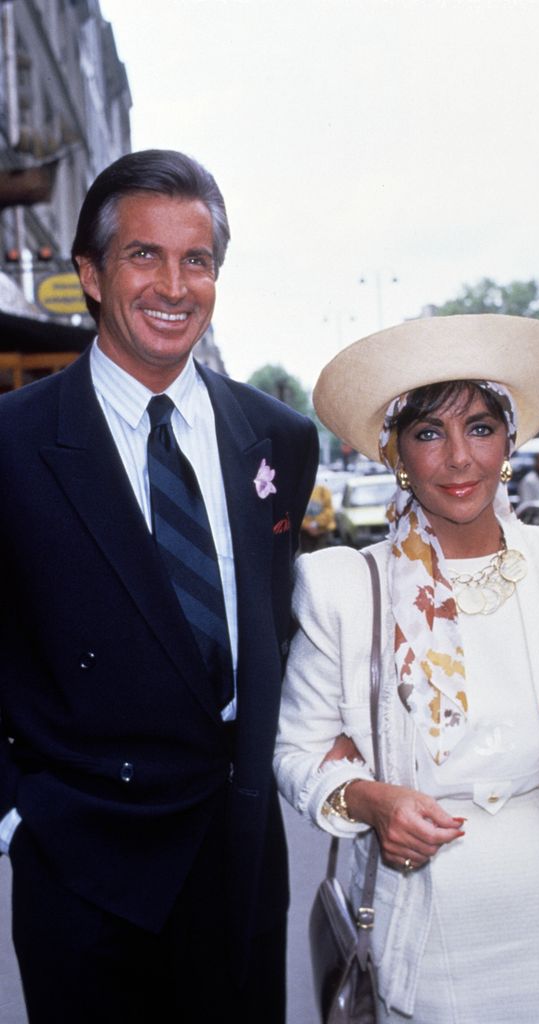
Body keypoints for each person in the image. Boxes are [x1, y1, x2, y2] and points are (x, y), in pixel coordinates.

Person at [274, 315, 539, 1024]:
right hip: (429, 954)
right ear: (398, 453)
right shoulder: (344, 588)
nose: (460, 458)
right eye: (430, 433)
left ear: (509, 442)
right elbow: (296, 755)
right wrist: (369, 799)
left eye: (481, 426)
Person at [0, 149, 318, 1023]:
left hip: (241, 865)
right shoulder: (12, 441)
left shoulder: (278, 438)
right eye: (145, 255)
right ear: (92, 274)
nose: (174, 285)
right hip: (82, 872)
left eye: (198, 259)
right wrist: (17, 818)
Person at [300, 481, 336, 552]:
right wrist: (307, 526)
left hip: (323, 532)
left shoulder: (323, 491)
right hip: (305, 534)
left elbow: (329, 511)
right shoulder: (300, 491)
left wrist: (317, 524)